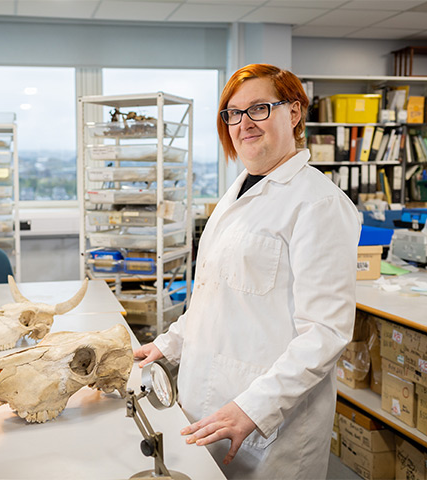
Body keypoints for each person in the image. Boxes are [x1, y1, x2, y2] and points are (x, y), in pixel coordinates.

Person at [134, 64, 361, 479]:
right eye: (233, 113)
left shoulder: (319, 204)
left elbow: (326, 334)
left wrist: (253, 408)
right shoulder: (237, 191)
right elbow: (214, 295)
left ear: (293, 113)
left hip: (270, 423)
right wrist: (169, 344)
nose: (243, 123)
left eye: (258, 108)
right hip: (208, 403)